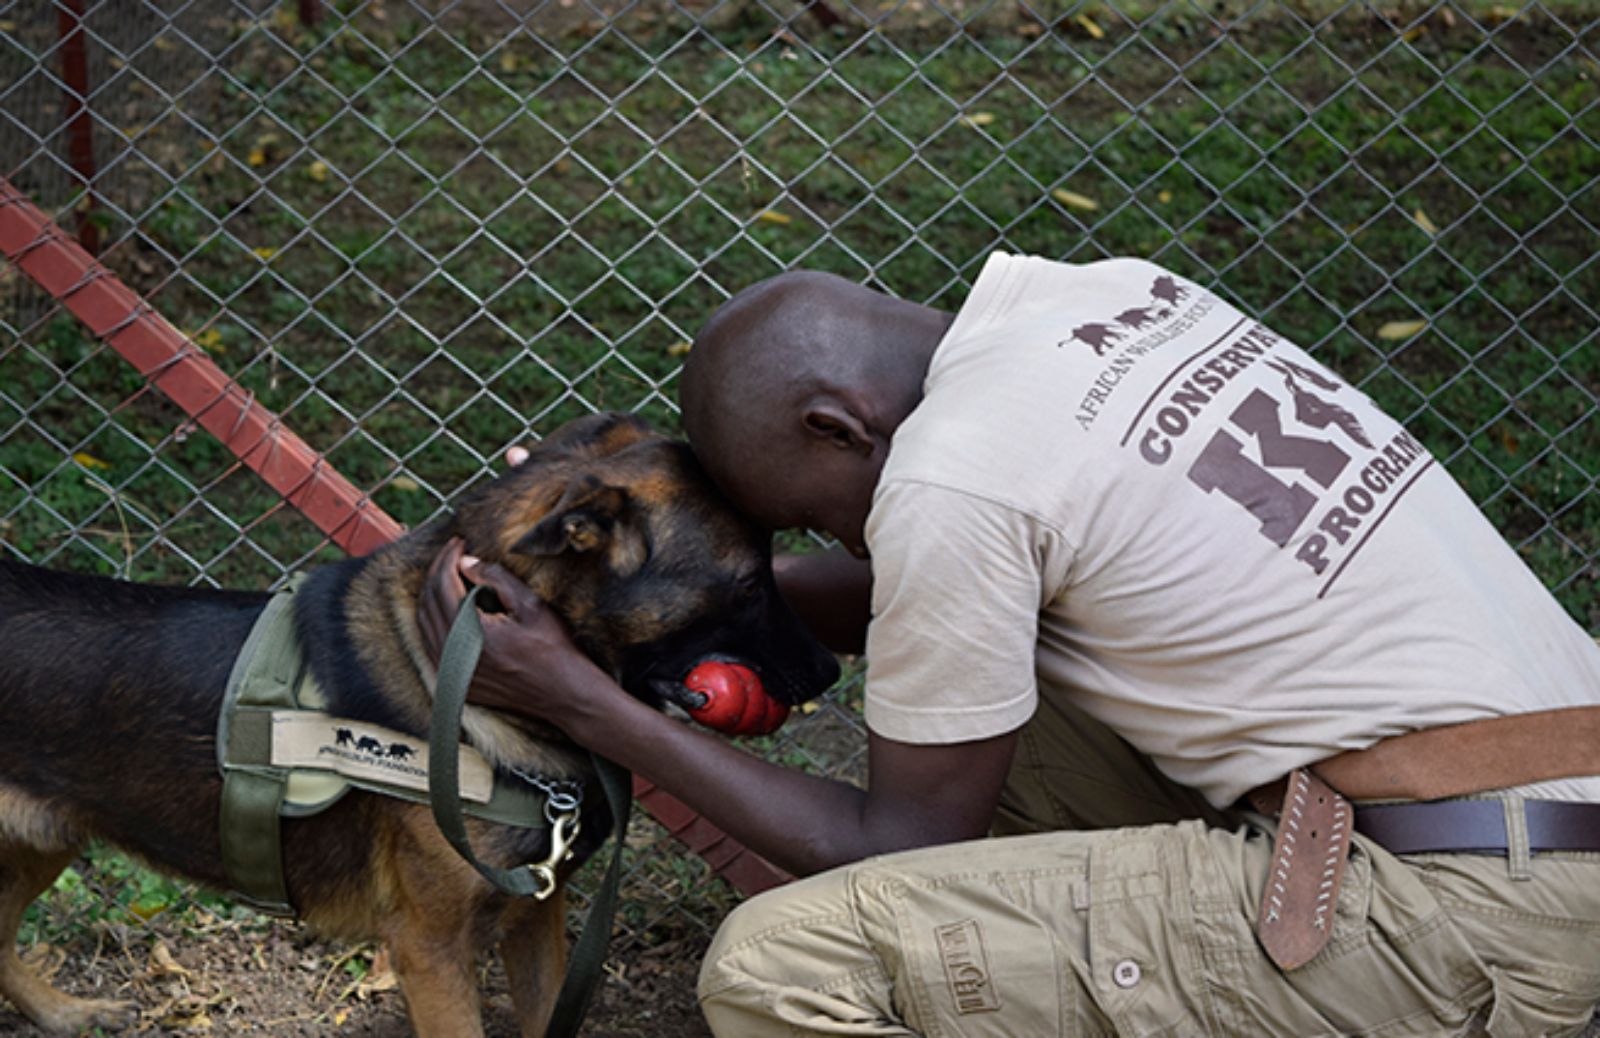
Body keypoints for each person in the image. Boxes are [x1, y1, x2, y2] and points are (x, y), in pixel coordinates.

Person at [418, 253, 1600, 1037]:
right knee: (996, 717)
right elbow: (913, 588)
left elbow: (889, 842)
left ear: (838, 424)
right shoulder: (1103, 301)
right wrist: (668, 601)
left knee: (784, 966)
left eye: (822, 515)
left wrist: (585, 703)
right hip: (1543, 801)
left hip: (1469, 914)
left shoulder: (957, 486)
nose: (842, 540)